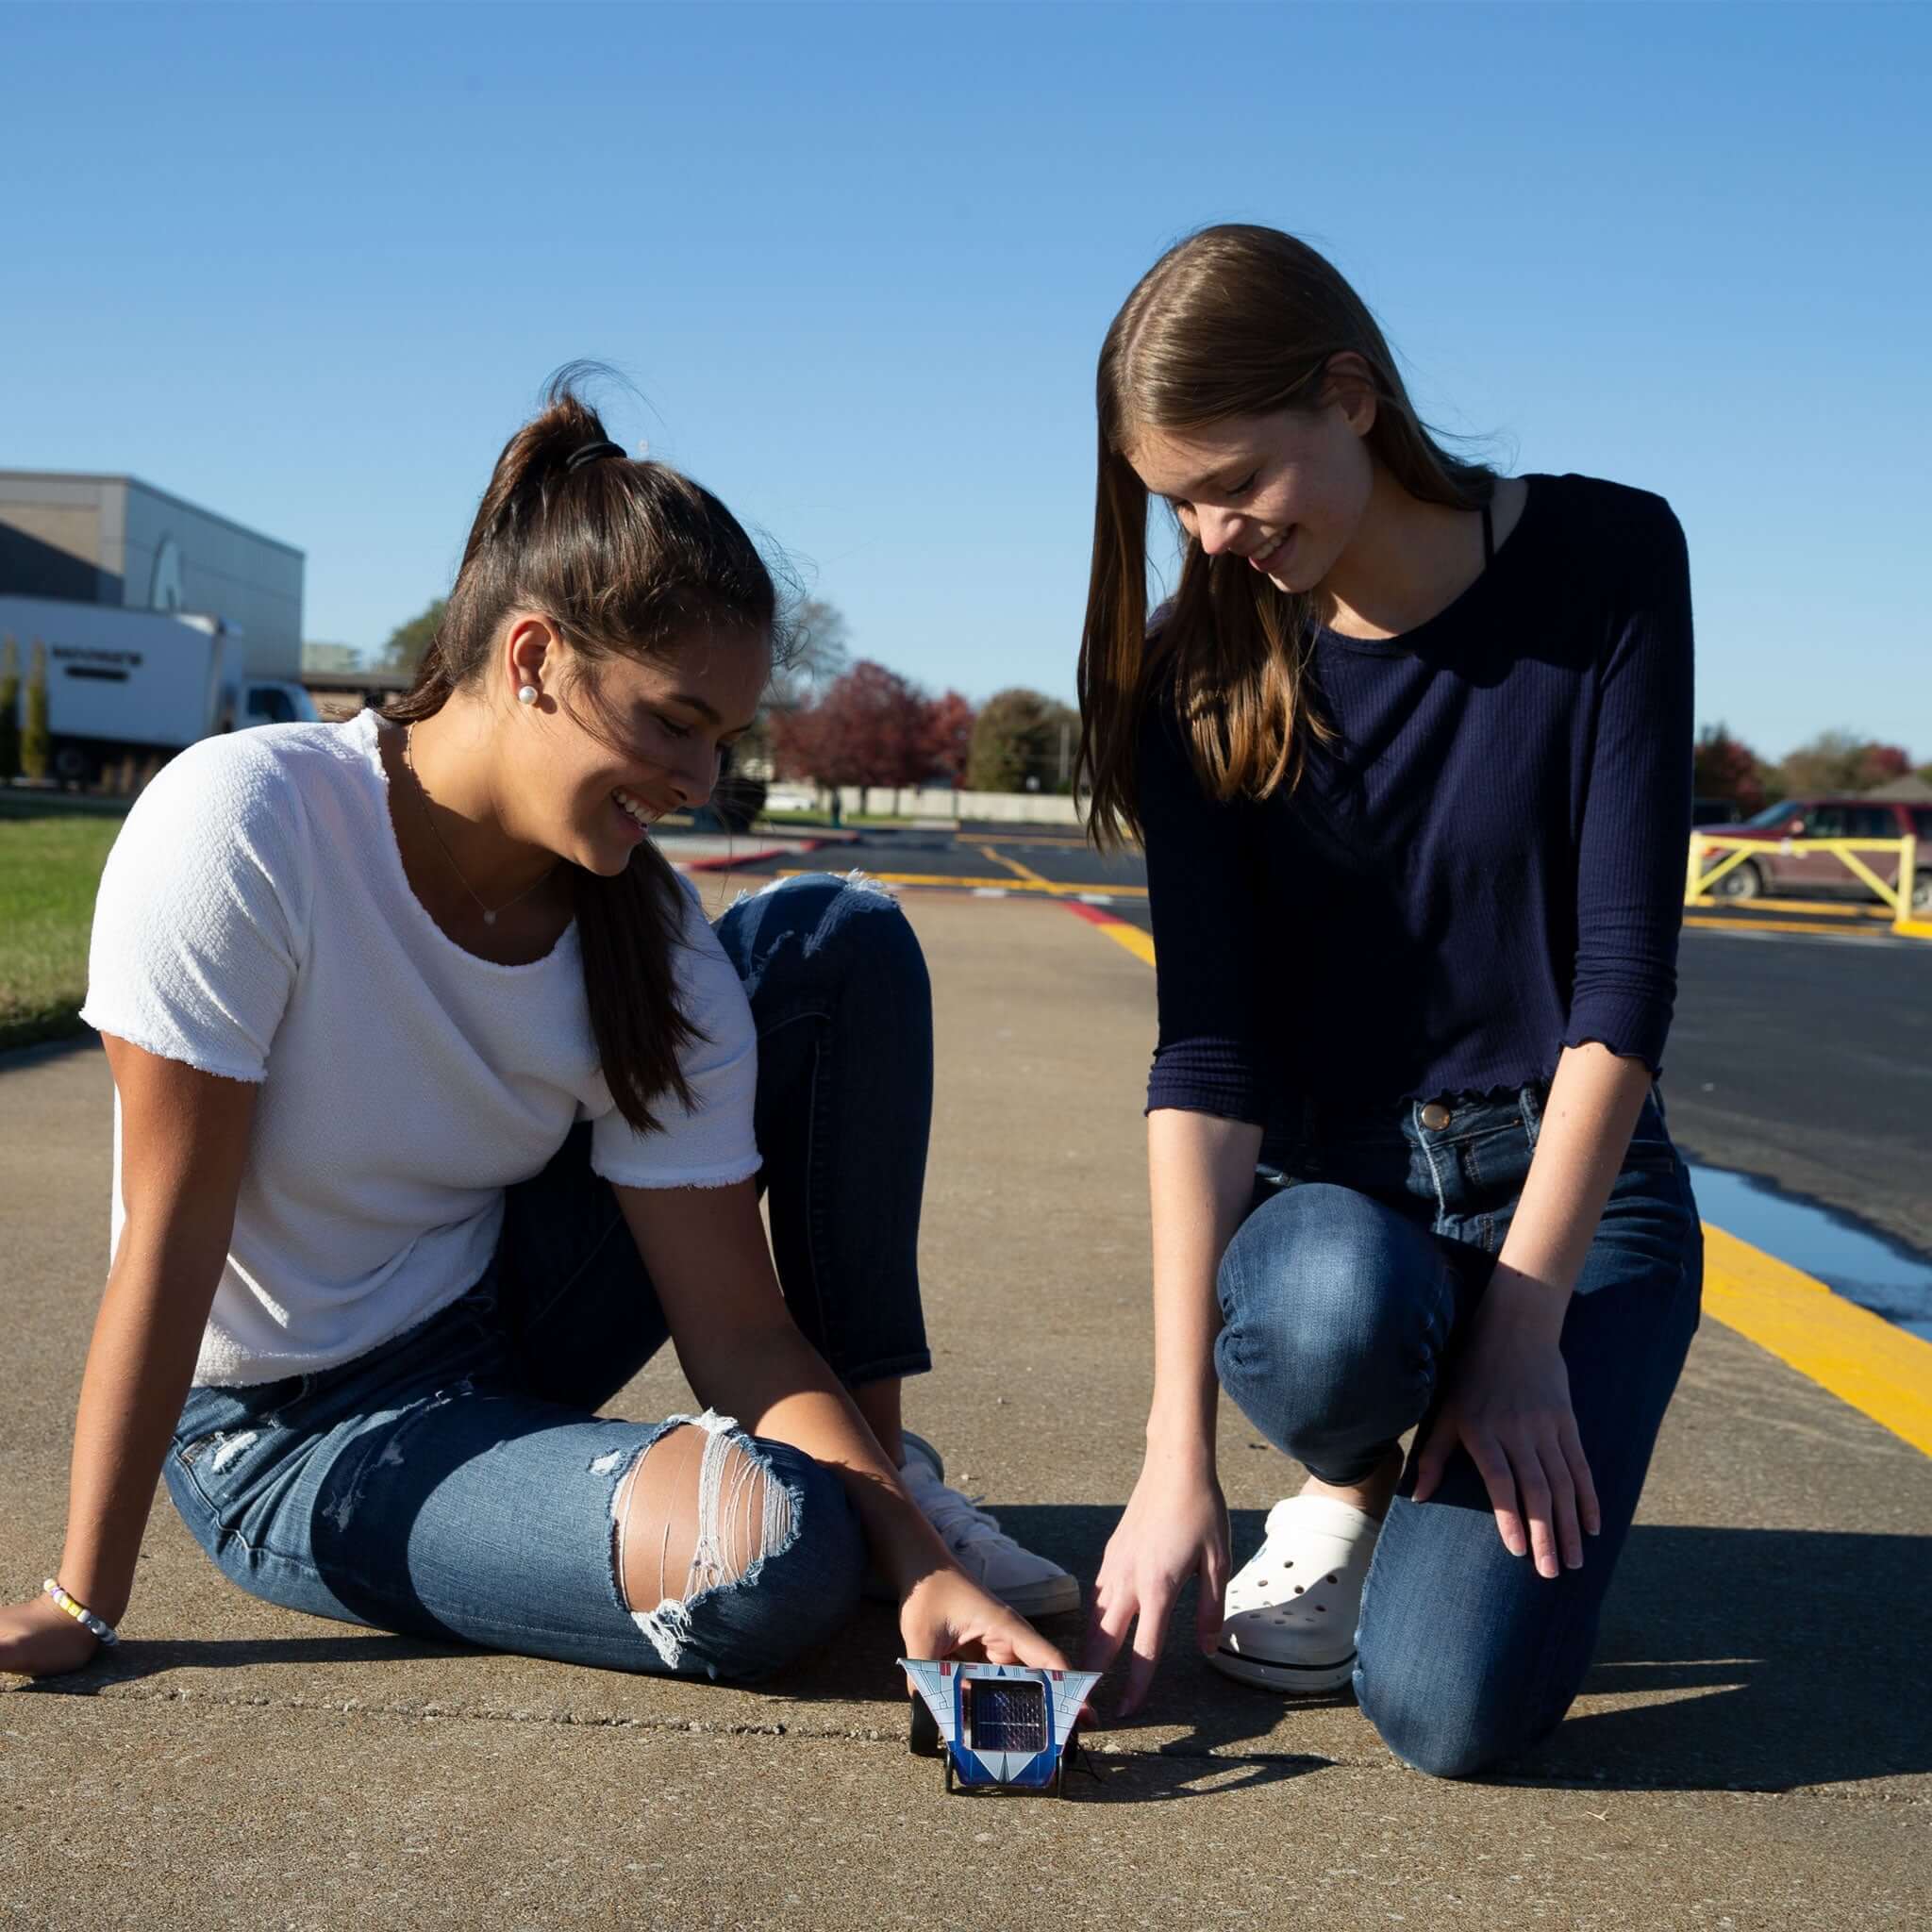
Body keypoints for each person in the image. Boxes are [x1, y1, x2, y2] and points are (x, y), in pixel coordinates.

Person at [1, 375, 1076, 1688]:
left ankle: (877, 1482)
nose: (698, 783)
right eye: (675, 722)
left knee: (833, 940)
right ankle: (825, 1502)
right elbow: (173, 1237)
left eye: (725, 740)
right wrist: (81, 1595)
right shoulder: (251, 825)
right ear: (531, 660)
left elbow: (737, 1328)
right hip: (291, 1434)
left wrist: (919, 1559)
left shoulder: (655, 942)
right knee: (768, 1555)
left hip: (501, 1318)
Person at [1076, 226, 1701, 1778]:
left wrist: (1525, 1331)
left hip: (1578, 1191)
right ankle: (1355, 1472)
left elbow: (1621, 993)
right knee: (1328, 1307)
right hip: (1340, 1210)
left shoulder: (1611, 560)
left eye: (1235, 487)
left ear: (1350, 396)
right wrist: (1177, 1466)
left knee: (1447, 1708)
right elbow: (1207, 1060)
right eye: (1177, 505)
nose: (1211, 536)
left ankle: (1427, 1487)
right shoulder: (1199, 674)